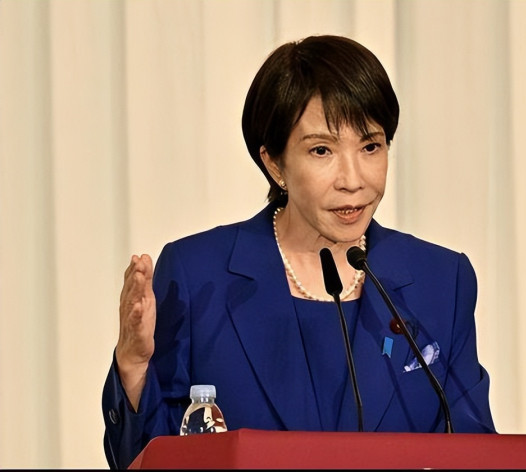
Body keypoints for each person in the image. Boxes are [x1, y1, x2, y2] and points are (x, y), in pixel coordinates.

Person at [102, 35, 496, 469]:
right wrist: (133, 367)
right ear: (274, 163)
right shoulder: (199, 276)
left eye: (371, 146)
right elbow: (148, 459)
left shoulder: (442, 280)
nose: (353, 180)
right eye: (322, 150)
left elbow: (473, 449)